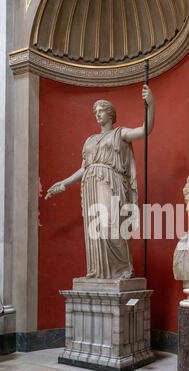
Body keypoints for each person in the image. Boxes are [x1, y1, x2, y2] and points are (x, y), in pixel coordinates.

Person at [46, 85, 155, 279]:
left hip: (111, 181)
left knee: (111, 224)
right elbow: (84, 168)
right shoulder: (90, 140)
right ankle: (98, 271)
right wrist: (64, 182)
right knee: (95, 228)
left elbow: (145, 130)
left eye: (101, 111)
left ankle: (123, 268)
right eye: (95, 112)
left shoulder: (120, 133)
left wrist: (151, 104)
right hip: (90, 185)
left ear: (110, 114)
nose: (97, 114)